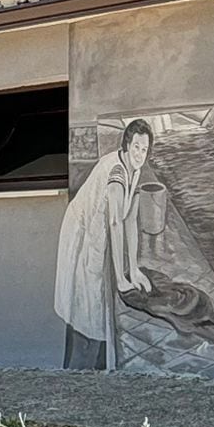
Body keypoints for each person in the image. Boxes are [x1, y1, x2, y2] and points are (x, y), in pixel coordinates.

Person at [53, 118, 156, 370]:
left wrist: (134, 270)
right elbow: (115, 222)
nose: (140, 154)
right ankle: (80, 367)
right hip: (82, 231)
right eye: (136, 147)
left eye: (144, 149)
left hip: (97, 231)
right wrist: (121, 278)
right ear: (126, 146)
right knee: (85, 301)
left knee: (94, 301)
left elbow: (130, 220)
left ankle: (96, 361)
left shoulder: (135, 171)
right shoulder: (117, 172)